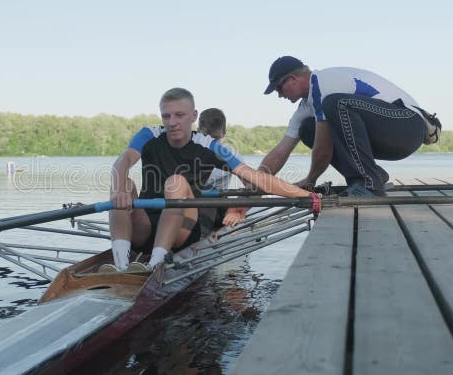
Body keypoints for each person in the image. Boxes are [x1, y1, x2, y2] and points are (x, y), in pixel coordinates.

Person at [105, 88, 316, 273]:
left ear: (193, 116)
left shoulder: (208, 145)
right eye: (166, 116)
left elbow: (256, 178)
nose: (172, 122)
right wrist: (119, 189)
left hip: (182, 231)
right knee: (122, 183)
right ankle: (121, 267)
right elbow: (123, 161)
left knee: (176, 182)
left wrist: (307, 196)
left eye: (179, 115)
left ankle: (156, 265)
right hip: (145, 228)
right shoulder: (149, 134)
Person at [260, 56, 440, 196]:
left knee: (335, 104)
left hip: (408, 125)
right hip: (390, 134)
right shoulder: (305, 108)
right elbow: (280, 152)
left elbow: (323, 150)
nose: (279, 96)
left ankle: (368, 185)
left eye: (278, 89)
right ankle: (373, 175)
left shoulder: (323, 81)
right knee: (307, 129)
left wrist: (310, 180)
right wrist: (257, 180)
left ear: (292, 79)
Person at [197, 108, 246, 228]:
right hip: (190, 201)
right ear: (198, 132)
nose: (211, 143)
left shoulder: (230, 154)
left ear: (224, 132)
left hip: (216, 205)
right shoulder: (187, 150)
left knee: (211, 195)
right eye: (205, 137)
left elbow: (252, 185)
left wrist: (236, 209)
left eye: (215, 139)